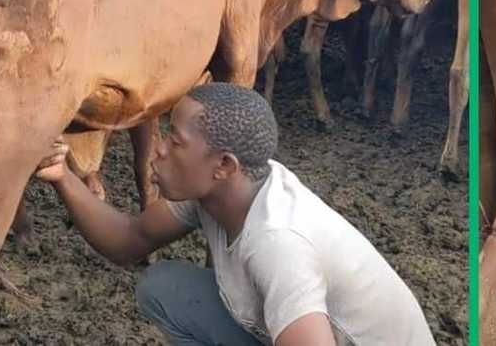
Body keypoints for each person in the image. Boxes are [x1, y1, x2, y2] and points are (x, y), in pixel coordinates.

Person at [34, 82, 435, 346]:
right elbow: (127, 241)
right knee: (165, 287)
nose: (156, 148)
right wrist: (64, 178)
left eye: (174, 141)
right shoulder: (222, 189)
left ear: (223, 164)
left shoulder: (278, 243)